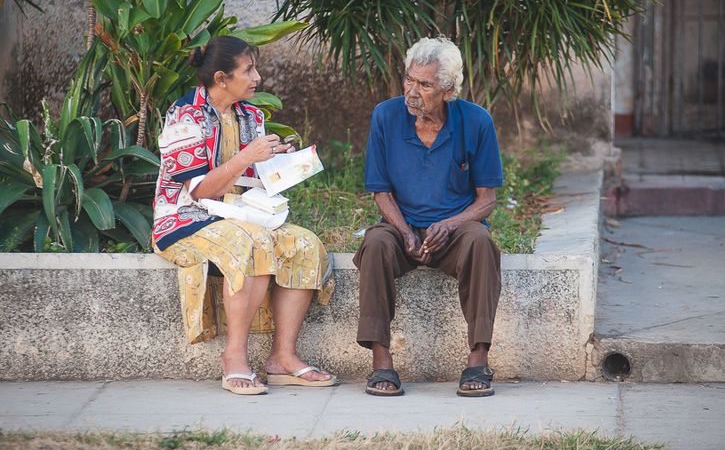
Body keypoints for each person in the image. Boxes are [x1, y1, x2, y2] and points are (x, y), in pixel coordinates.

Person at [152, 36, 335, 395]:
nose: (258, 78)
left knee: (304, 244)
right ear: (221, 78)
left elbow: (256, 178)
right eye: (248, 70)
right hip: (185, 217)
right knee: (249, 242)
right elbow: (199, 190)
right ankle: (234, 357)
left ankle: (282, 358)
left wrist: (281, 160)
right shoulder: (184, 116)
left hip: (243, 212)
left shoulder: (251, 114)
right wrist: (247, 156)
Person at [355, 36, 504, 397]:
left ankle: (478, 359)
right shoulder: (386, 116)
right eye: (409, 79)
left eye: (424, 84)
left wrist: (450, 224)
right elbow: (380, 190)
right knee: (374, 243)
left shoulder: (476, 122)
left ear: (448, 89)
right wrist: (405, 233)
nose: (412, 91)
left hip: (454, 233)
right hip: (401, 227)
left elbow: (487, 200)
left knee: (482, 242)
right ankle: (381, 363)